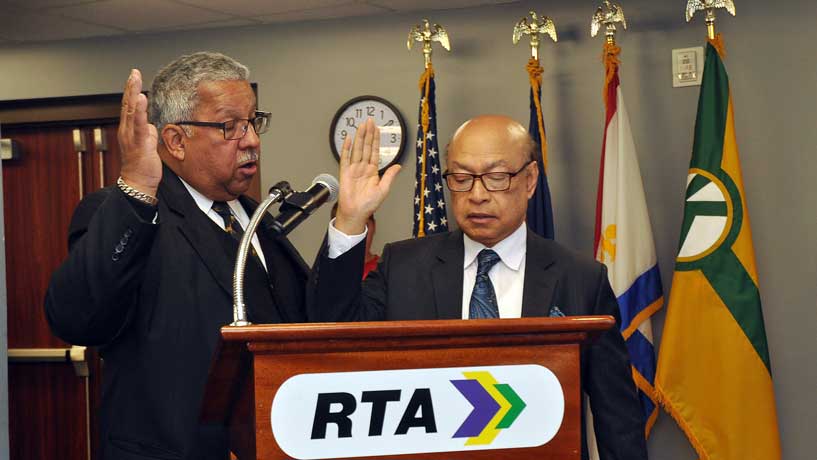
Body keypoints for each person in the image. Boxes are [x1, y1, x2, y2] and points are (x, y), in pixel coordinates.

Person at [310, 115, 648, 459]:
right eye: (461, 178)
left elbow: (617, 417)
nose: (477, 195)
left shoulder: (580, 278)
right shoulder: (404, 267)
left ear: (529, 180)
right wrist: (351, 220)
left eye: (496, 178)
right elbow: (330, 335)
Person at [45, 52, 315, 460]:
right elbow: (75, 317)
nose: (252, 140)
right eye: (230, 127)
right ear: (175, 141)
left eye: (253, 122)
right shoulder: (125, 213)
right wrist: (135, 185)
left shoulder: (255, 217)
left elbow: (304, 322)